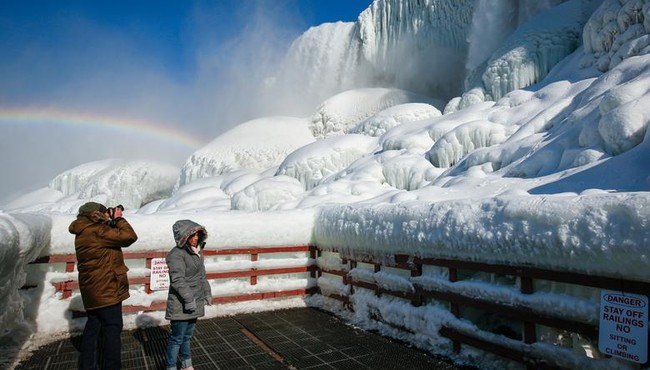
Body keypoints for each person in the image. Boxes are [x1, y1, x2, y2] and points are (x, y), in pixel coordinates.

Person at [68, 201, 138, 370]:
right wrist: (119, 219)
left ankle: (88, 365)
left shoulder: (84, 231)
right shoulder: (98, 231)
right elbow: (129, 236)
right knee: (112, 329)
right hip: (107, 289)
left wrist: (109, 221)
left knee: (93, 327)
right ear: (95, 215)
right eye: (104, 213)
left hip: (92, 290)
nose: (107, 214)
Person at [165, 220, 212, 370]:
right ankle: (171, 366)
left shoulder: (197, 251)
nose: (196, 238)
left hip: (195, 300)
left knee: (187, 337)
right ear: (183, 237)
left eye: (197, 234)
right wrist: (188, 299)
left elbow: (201, 275)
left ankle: (186, 365)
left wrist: (207, 292)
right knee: (176, 338)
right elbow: (177, 280)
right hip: (181, 303)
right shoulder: (176, 255)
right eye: (192, 235)